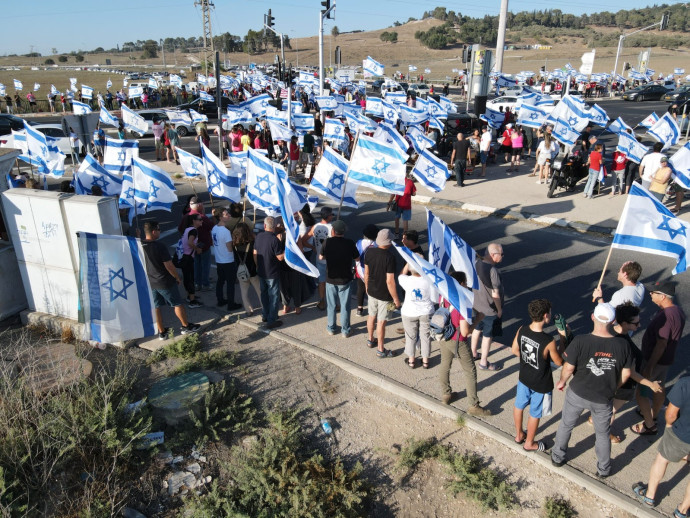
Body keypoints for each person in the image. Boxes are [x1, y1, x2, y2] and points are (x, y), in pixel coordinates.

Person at [551, 303, 632, 477]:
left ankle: (558, 456)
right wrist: (614, 387)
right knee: (603, 434)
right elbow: (626, 374)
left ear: (592, 317)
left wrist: (562, 381)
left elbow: (568, 367)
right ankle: (603, 469)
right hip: (603, 398)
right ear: (613, 321)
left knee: (566, 424)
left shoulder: (580, 341)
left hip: (577, 392)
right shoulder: (623, 346)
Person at [600, 303, 663, 443]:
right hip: (623, 387)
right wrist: (651, 385)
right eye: (636, 323)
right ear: (623, 323)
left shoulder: (608, 332)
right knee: (611, 412)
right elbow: (631, 373)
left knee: (606, 410)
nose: (639, 325)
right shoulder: (626, 347)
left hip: (608, 381)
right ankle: (605, 436)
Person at [633, 281, 686, 436]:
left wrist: (649, 366)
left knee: (641, 392)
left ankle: (649, 424)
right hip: (666, 361)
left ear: (662, 296)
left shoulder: (666, 318)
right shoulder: (677, 311)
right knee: (659, 388)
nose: (650, 294)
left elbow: (661, 344)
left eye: (654, 293)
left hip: (654, 361)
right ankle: (654, 415)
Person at [511, 299, 565, 452]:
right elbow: (559, 361)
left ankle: (519, 435)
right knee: (535, 413)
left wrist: (528, 359)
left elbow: (514, 350)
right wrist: (562, 338)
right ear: (545, 315)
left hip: (524, 377)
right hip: (541, 383)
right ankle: (529, 444)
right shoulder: (548, 341)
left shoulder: (522, 329)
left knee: (518, 405)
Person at [632, 375, 690, 515]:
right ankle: (682, 511)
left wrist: (669, 426)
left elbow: (671, 414)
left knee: (662, 459)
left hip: (682, 433)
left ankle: (649, 497)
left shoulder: (685, 383)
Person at [438, 271, 491, 415]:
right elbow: (465, 331)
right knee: (470, 371)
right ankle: (473, 405)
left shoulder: (442, 295)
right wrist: (478, 319)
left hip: (444, 336)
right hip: (458, 341)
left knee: (445, 365)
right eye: (465, 282)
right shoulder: (462, 301)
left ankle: (446, 393)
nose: (467, 285)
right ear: (460, 283)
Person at [141, 220, 200, 339]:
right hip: (164, 281)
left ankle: (162, 332)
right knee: (177, 304)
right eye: (158, 230)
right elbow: (169, 265)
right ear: (153, 232)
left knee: (156, 307)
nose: (159, 232)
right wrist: (177, 277)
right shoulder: (159, 246)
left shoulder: (139, 244)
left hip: (150, 282)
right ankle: (185, 326)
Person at [364, 229, 401, 358]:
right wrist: (396, 299)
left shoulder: (369, 252)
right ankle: (380, 349)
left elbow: (366, 273)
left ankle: (370, 339)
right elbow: (390, 281)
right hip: (385, 295)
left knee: (371, 316)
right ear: (389, 242)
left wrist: (367, 287)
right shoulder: (390, 257)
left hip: (372, 290)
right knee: (381, 322)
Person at [321, 219, 359, 337]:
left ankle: (331, 328)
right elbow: (357, 258)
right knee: (345, 306)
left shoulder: (327, 242)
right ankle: (345, 330)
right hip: (345, 279)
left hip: (331, 279)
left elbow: (321, 257)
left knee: (331, 305)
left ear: (333, 231)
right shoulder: (349, 243)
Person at [471, 243, 505, 371]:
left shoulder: (476, 263)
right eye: (501, 254)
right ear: (492, 255)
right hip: (489, 309)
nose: (502, 256)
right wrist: (499, 309)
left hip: (477, 305)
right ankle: (484, 362)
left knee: (476, 329)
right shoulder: (493, 271)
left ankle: (473, 352)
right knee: (487, 335)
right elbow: (495, 294)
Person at [398, 257, 434, 369]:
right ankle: (425, 361)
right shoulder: (429, 280)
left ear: (409, 268)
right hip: (426, 311)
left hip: (409, 312)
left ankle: (411, 361)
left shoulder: (406, 280)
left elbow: (401, 274)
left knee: (410, 337)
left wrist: (408, 262)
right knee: (425, 336)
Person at [253, 216, 285, 329]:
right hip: (272, 272)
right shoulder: (275, 240)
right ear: (274, 227)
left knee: (264, 294)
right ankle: (272, 319)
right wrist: (286, 251)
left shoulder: (259, 236)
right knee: (274, 296)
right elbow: (280, 258)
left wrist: (257, 266)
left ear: (265, 225)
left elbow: (255, 253)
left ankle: (265, 315)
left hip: (261, 271)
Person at [212, 208, 243, 311]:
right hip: (228, 260)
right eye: (226, 214)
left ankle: (220, 300)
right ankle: (231, 304)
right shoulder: (225, 231)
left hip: (219, 259)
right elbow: (230, 248)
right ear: (220, 217)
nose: (229, 215)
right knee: (230, 283)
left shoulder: (214, 228)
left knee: (220, 281)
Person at [232, 222, 261, 316]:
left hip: (241, 271)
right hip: (252, 271)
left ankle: (248, 310)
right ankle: (265, 307)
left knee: (244, 293)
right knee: (260, 291)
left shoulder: (235, 244)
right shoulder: (252, 243)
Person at [309, 207, 334, 311]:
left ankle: (322, 301)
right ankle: (334, 304)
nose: (332, 216)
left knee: (321, 281)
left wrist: (313, 248)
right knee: (332, 282)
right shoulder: (332, 228)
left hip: (319, 259)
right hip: (331, 260)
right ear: (328, 216)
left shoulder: (315, 227)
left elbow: (304, 239)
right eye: (331, 214)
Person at [178, 214, 204, 308]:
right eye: (199, 220)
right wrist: (197, 249)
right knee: (190, 279)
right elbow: (190, 243)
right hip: (188, 257)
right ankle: (192, 302)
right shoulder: (194, 231)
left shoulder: (187, 229)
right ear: (194, 221)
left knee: (187, 277)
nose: (202, 221)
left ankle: (190, 296)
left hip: (184, 256)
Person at [354, 224, 378, 317]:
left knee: (361, 288)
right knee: (373, 289)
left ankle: (359, 308)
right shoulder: (377, 245)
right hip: (372, 271)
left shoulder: (359, 242)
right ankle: (373, 309)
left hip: (360, 269)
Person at [389, 174, 416, 239]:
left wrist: (389, 201)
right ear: (406, 175)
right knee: (405, 221)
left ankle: (396, 234)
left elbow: (393, 193)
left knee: (397, 219)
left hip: (398, 204)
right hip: (407, 205)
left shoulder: (398, 182)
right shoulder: (410, 182)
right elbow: (414, 193)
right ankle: (405, 237)